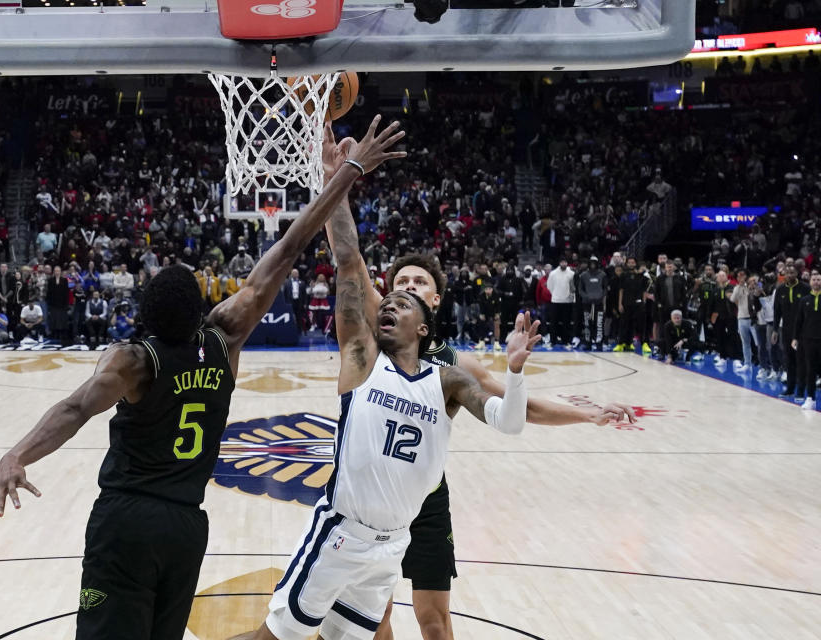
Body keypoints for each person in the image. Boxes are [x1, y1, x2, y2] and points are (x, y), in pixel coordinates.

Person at [0, 115, 407, 640]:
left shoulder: (133, 361)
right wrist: (347, 173)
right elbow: (292, 246)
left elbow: (75, 409)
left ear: (145, 314)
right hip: (186, 524)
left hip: (127, 518)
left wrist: (16, 455)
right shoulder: (224, 338)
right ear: (203, 307)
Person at [320, 162, 635, 640]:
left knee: (435, 620)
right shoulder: (374, 334)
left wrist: (587, 413)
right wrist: (335, 179)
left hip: (424, 502)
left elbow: (519, 408)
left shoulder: (454, 366)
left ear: (437, 301)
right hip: (368, 497)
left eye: (419, 282)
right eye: (400, 281)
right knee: (373, 620)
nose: (408, 286)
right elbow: (348, 256)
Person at [235, 204, 538, 640]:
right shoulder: (362, 358)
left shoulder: (449, 380)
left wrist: (514, 371)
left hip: (391, 547)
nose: (389, 306)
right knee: (277, 636)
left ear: (424, 329)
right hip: (341, 535)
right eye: (388, 301)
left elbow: (510, 424)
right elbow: (347, 259)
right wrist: (336, 182)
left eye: (403, 304)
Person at [774, 266, 809, 398]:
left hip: (801, 331)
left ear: (797, 274)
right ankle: (789, 388)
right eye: (787, 273)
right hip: (786, 330)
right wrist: (775, 330)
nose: (789, 275)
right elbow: (777, 311)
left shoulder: (805, 288)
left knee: (800, 360)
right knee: (789, 360)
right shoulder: (780, 290)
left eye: (792, 273)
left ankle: (800, 390)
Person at [792, 271, 821, 411]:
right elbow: (799, 321)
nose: (816, 282)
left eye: (819, 279)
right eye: (814, 279)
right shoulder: (804, 300)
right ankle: (810, 398)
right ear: (810, 282)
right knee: (810, 370)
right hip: (808, 340)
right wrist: (795, 338)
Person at [578, 256, 607, 351]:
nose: (593, 265)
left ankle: (599, 343)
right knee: (587, 323)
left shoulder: (602, 275)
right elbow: (580, 289)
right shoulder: (583, 275)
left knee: (599, 324)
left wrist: (601, 296)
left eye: (594, 263)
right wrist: (586, 296)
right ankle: (588, 342)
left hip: (598, 303)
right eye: (591, 263)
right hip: (587, 302)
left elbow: (605, 289)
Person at [546, 258, 575, 347]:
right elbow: (549, 286)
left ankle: (566, 341)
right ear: (559, 263)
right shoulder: (553, 273)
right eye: (562, 262)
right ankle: (552, 341)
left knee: (566, 322)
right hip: (555, 301)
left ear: (567, 263)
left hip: (567, 302)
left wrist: (569, 296)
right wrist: (555, 294)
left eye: (565, 262)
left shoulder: (571, 274)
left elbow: (573, 287)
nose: (564, 264)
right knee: (553, 322)